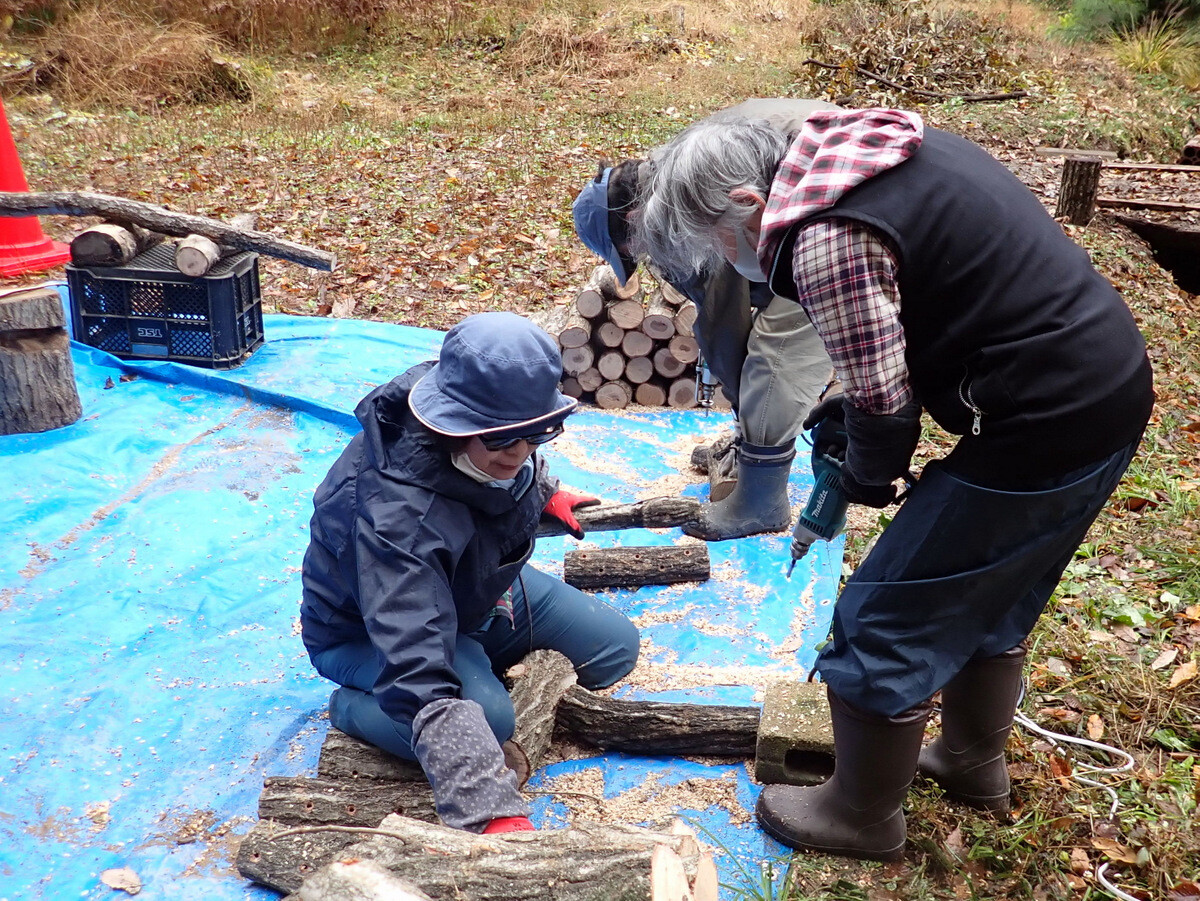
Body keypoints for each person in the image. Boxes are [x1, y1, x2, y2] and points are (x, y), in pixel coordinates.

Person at [633, 108, 1154, 861]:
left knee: (883, 613)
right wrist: (849, 419)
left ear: (748, 202)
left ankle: (859, 814)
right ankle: (972, 763)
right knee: (988, 589)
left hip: (1048, 410)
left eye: (718, 238)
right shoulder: (854, 153)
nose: (723, 254)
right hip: (1102, 379)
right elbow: (913, 313)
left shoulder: (825, 239)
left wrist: (862, 477)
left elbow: (884, 407)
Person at [300, 312, 640, 834]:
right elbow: (416, 663)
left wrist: (544, 495)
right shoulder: (396, 521)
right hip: (369, 632)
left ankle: (474, 655)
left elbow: (514, 464)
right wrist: (489, 806)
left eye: (537, 434)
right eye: (504, 441)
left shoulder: (484, 415)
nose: (520, 452)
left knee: (614, 649)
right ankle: (352, 708)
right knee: (492, 721)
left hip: (472, 588)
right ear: (456, 425)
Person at [572, 99, 839, 541]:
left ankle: (761, 505)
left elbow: (722, 326)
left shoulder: (684, 208)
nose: (644, 259)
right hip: (818, 195)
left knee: (777, 357)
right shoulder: (670, 168)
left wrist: (746, 409)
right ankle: (757, 447)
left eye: (633, 253)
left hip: (827, 226)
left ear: (633, 223)